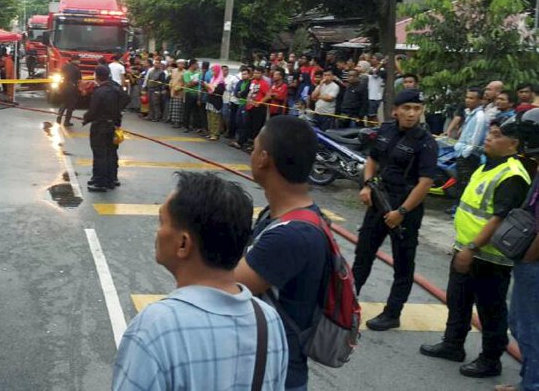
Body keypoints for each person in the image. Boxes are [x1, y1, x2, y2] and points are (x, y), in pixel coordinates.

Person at [113, 172, 289, 391]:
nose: (158, 232)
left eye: (162, 222)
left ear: (183, 244)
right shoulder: (268, 320)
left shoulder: (155, 328)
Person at [421, 118, 530, 378]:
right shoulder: (488, 167)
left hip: (489, 257)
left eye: (496, 134)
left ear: (513, 144)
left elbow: (499, 218)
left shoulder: (512, 175)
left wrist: (472, 247)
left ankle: (491, 359)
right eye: (489, 133)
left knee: (490, 309)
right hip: (467, 248)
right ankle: (452, 344)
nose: (488, 138)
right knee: (458, 300)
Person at [234, 115, 332, 391]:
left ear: (264, 158)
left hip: (276, 376)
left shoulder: (291, 234)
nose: (251, 155)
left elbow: (225, 291)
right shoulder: (281, 216)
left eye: (254, 149)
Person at [354, 89, 439, 330]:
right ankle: (348, 301)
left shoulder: (426, 142)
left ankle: (393, 313)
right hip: (378, 201)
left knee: (403, 263)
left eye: (417, 109)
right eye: (407, 108)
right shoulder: (386, 130)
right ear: (396, 110)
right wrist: (367, 185)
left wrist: (400, 212)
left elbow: (425, 183)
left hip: (405, 207)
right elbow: (372, 160)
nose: (412, 114)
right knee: (363, 255)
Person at [497, 108, 539, 391]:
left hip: (536, 264)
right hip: (532, 263)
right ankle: (530, 379)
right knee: (521, 323)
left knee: (529, 327)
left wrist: (528, 258)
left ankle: (533, 385)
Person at [83, 65, 129, 193]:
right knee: (111, 152)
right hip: (113, 125)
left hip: (100, 126)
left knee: (100, 154)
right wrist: (117, 111)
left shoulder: (99, 92)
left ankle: (100, 182)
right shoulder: (115, 88)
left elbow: (92, 111)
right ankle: (111, 179)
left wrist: (85, 119)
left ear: (96, 76)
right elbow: (126, 98)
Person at [455, 88, 489, 193]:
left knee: (465, 183)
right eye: (467, 97)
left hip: (469, 156)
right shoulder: (470, 113)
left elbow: (476, 139)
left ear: (480, 101)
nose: (468, 100)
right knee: (460, 181)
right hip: (462, 152)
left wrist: (465, 154)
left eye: (471, 98)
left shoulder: (479, 117)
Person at [240, 67, 271, 150]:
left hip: (258, 108)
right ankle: (250, 143)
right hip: (250, 106)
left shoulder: (264, 83)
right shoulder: (253, 81)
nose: (256, 75)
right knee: (249, 126)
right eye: (255, 73)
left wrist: (260, 102)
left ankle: (256, 146)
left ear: (262, 74)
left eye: (258, 73)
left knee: (256, 128)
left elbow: (268, 95)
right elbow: (250, 92)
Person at [204, 64, 226, 141]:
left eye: (213, 70)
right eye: (212, 70)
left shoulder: (221, 82)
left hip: (216, 102)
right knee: (209, 117)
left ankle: (215, 134)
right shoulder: (212, 79)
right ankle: (211, 132)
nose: (212, 72)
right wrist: (207, 86)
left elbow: (219, 91)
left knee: (215, 118)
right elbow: (209, 90)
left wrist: (209, 86)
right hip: (210, 100)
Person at [56, 60, 81, 127]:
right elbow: (79, 81)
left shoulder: (64, 67)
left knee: (63, 102)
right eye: (78, 60)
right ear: (75, 61)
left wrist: (59, 87)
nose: (80, 62)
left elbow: (60, 76)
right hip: (72, 88)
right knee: (71, 105)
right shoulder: (77, 69)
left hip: (63, 87)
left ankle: (59, 116)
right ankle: (66, 122)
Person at [181, 60, 202, 133]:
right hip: (189, 93)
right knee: (187, 110)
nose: (197, 66)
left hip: (197, 93)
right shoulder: (187, 73)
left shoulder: (199, 73)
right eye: (196, 64)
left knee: (196, 111)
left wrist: (194, 83)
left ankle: (196, 126)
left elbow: (200, 84)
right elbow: (188, 84)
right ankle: (186, 126)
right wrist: (195, 82)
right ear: (192, 65)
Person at [168, 60, 186, 129]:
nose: (180, 65)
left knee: (178, 108)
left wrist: (178, 89)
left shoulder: (185, 72)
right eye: (179, 64)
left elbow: (184, 83)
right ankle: (173, 120)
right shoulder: (173, 70)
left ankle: (177, 122)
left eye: (182, 64)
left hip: (179, 92)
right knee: (173, 107)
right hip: (172, 90)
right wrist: (170, 84)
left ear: (184, 65)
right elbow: (172, 79)